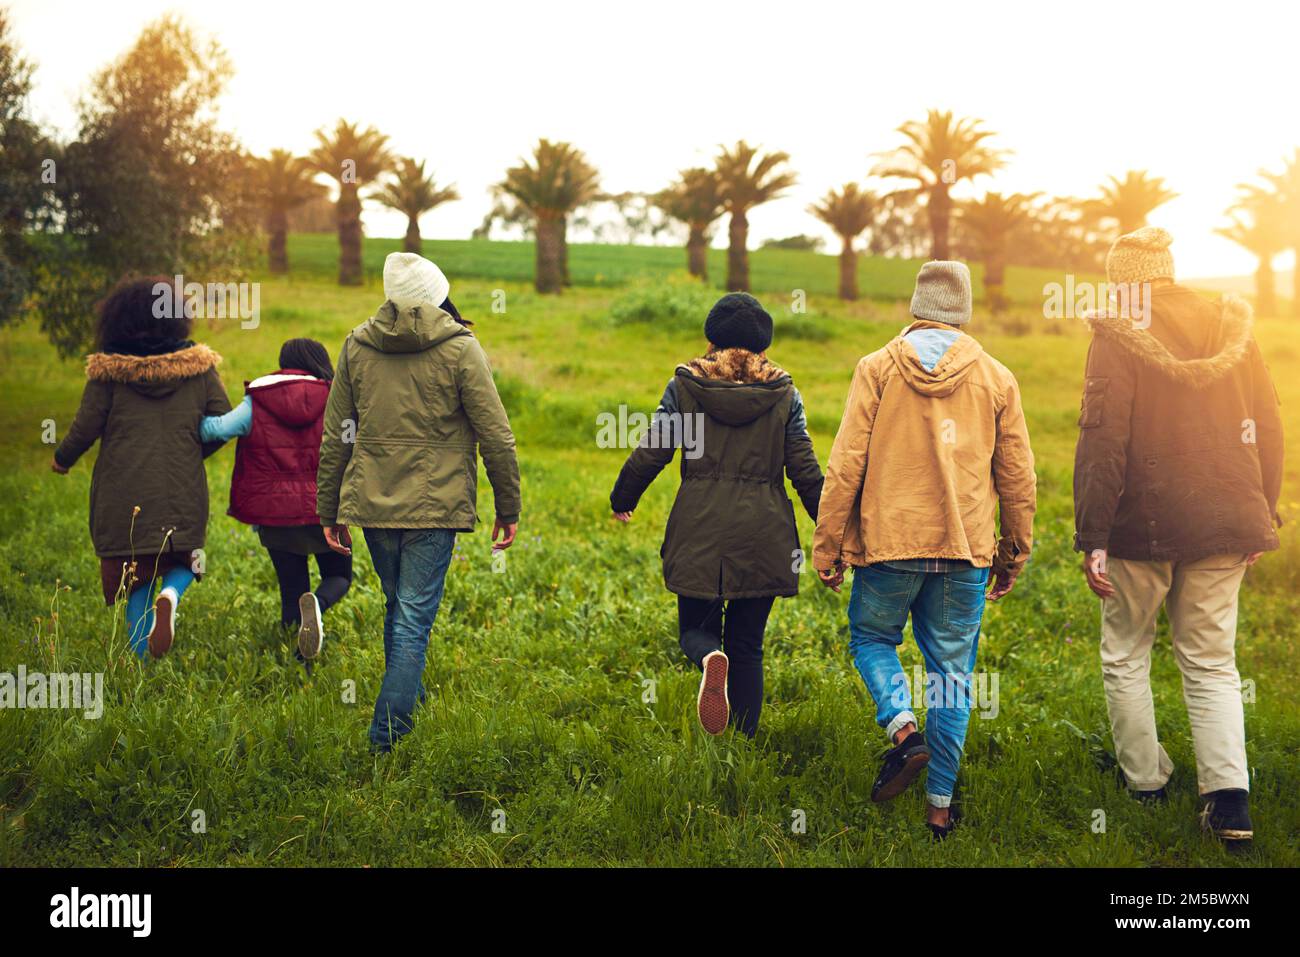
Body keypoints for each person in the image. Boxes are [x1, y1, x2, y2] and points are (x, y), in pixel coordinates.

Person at [1073, 227, 1283, 846]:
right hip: (1228, 519)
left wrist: (1094, 536)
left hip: (1141, 525)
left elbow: (1102, 441)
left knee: (1126, 652)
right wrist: (1261, 511)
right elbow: (1267, 423)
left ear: (1123, 282)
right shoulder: (1233, 326)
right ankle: (1229, 806)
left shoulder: (1115, 334)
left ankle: (1145, 784)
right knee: (1214, 662)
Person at [812, 261, 1036, 840]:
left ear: (915, 306)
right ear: (963, 311)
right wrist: (1013, 550)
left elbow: (845, 464)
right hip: (965, 555)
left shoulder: (876, 368)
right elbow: (1017, 477)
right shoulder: (996, 376)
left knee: (871, 639)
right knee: (953, 678)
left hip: (889, 546)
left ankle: (904, 732)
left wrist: (827, 544)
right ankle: (939, 809)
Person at [317, 253, 521, 753]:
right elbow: (496, 434)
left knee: (398, 607)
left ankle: (411, 694)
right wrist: (508, 507)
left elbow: (335, 436)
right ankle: (386, 739)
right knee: (412, 618)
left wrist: (329, 507)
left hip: (373, 504)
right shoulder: (460, 347)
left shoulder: (356, 346)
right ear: (437, 294)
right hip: (436, 504)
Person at [609, 292, 824, 738]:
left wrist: (623, 496)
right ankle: (742, 746)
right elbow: (804, 470)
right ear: (763, 345)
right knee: (747, 646)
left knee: (695, 630)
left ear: (711, 340)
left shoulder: (686, 387)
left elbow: (654, 451)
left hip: (699, 529)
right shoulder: (785, 394)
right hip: (765, 536)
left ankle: (709, 658)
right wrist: (833, 529)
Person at [51, 276, 232, 659]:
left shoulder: (108, 374)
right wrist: (188, 453)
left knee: (135, 578)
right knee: (186, 557)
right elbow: (222, 423)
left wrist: (61, 459)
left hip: (122, 494)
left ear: (117, 320)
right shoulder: (199, 370)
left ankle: (140, 667)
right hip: (181, 488)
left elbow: (86, 427)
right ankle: (172, 594)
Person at [200, 338, 350, 665]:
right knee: (339, 577)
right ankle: (319, 606)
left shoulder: (258, 401)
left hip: (274, 513)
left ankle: (297, 664)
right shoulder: (336, 399)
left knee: (291, 589)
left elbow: (215, 430)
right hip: (324, 511)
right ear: (320, 362)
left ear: (283, 363)